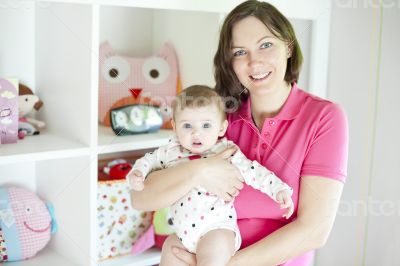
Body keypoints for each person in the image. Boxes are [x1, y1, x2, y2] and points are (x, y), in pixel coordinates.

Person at [131, 1, 348, 265]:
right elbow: (140, 197)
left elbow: (314, 230)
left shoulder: (323, 118)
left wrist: (222, 264)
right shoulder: (219, 118)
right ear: (229, 62)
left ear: (288, 46)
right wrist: (199, 170)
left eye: (266, 45)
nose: (254, 61)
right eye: (239, 52)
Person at [127, 85, 294, 266]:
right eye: (187, 125)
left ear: (222, 128)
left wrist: (278, 189)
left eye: (206, 125)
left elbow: (254, 172)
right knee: (169, 249)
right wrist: (137, 174)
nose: (196, 133)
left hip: (217, 230)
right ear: (175, 126)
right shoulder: (170, 151)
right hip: (183, 235)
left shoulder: (226, 151)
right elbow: (147, 161)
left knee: (211, 259)